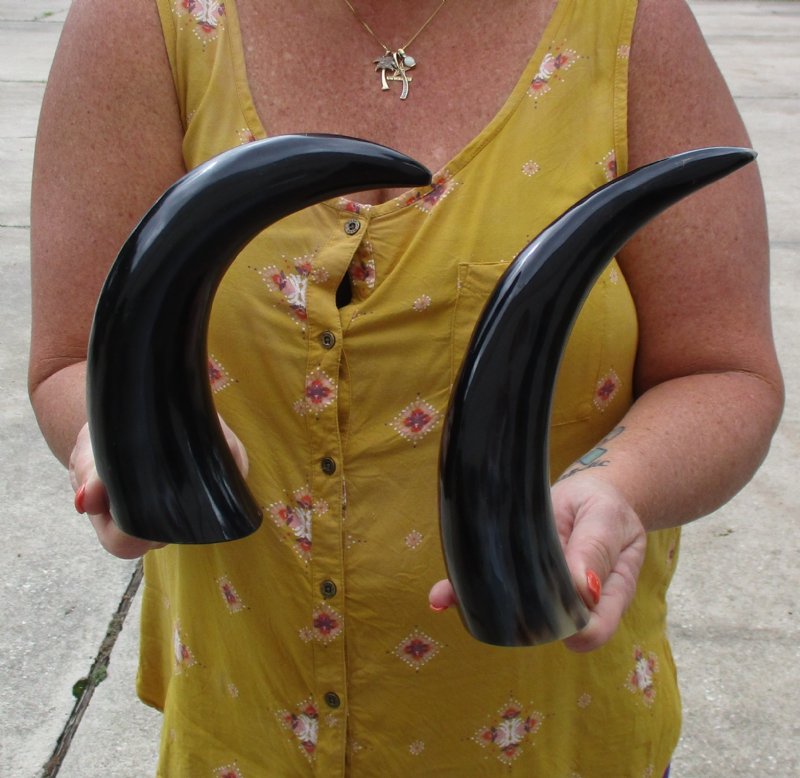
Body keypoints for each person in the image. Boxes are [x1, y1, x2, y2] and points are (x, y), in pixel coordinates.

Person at [29, 0, 783, 775]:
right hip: (248, 723)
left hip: (548, 730)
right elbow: (75, 356)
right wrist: (124, 442)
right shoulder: (143, 20)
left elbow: (722, 370)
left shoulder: (629, 24)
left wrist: (617, 488)